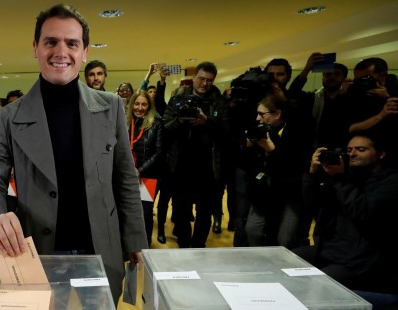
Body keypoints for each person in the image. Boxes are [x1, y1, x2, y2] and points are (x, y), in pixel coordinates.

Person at [0, 4, 147, 304]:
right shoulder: (8, 117)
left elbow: (125, 178)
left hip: (100, 247)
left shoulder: (111, 107)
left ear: (85, 51)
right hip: (39, 251)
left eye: (72, 43)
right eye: (51, 41)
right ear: (36, 48)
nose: (61, 51)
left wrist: (135, 240)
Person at [294, 131, 398, 295]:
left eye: (361, 149)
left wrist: (339, 179)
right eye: (349, 150)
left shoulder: (391, 182)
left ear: (381, 154)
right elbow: (313, 204)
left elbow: (363, 212)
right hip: (330, 248)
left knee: (319, 286)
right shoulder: (346, 176)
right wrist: (313, 174)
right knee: (286, 260)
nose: (352, 154)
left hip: (362, 259)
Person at [163, 61, 226, 248]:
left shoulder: (217, 100)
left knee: (205, 212)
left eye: (209, 80)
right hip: (181, 163)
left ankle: (198, 247)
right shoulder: (178, 97)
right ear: (194, 77)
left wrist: (207, 121)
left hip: (208, 166)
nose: (204, 83)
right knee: (181, 210)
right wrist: (181, 120)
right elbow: (166, 127)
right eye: (201, 78)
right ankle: (183, 245)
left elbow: (226, 130)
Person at [243, 94, 312, 249]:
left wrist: (272, 150)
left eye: (262, 114)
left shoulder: (297, 132)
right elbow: (246, 165)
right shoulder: (260, 131)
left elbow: (293, 168)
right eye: (257, 114)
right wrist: (248, 146)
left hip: (290, 193)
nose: (257, 119)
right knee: (253, 230)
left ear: (277, 114)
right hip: (263, 190)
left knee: (286, 239)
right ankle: (262, 263)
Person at [126, 90, 163, 246]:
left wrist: (139, 170)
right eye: (137, 103)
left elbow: (158, 152)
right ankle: (129, 246)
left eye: (144, 104)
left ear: (149, 106)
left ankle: (145, 247)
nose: (139, 108)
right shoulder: (124, 122)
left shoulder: (156, 124)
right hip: (126, 175)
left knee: (145, 214)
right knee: (128, 213)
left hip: (147, 177)